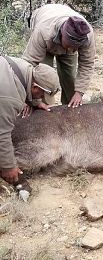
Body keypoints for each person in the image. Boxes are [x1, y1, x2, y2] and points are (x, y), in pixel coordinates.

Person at [0, 55, 60, 184]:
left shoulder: (23, 67)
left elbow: (23, 85)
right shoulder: (10, 99)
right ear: (35, 87)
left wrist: (35, 102)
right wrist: (8, 167)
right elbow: (2, 134)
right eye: (42, 95)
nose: (42, 99)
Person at [22, 3, 96, 108]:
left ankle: (69, 110)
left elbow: (87, 64)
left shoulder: (86, 35)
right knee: (43, 81)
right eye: (71, 45)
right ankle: (43, 113)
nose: (73, 50)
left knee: (70, 81)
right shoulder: (43, 32)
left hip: (59, 23)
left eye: (76, 47)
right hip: (47, 37)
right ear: (62, 35)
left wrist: (79, 92)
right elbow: (29, 64)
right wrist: (29, 99)